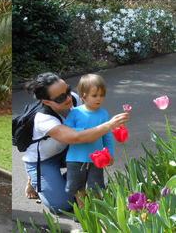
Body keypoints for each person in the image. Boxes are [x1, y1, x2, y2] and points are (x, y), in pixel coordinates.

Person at [22, 72, 128, 213]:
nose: (68, 98)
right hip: (43, 160)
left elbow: (94, 130)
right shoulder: (43, 119)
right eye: (60, 97)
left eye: (67, 90)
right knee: (62, 205)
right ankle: (35, 178)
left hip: (67, 151)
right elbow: (76, 137)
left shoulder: (75, 99)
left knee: (87, 176)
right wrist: (109, 124)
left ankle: (61, 180)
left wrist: (108, 150)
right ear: (46, 102)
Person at [64, 74, 113, 206]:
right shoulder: (75, 113)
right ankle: (82, 208)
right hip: (75, 158)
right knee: (78, 187)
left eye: (102, 95)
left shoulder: (103, 114)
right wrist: (84, 132)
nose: (99, 99)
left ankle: (98, 207)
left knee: (97, 185)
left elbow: (107, 136)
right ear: (82, 95)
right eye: (95, 95)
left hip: (96, 159)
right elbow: (67, 129)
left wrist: (110, 153)